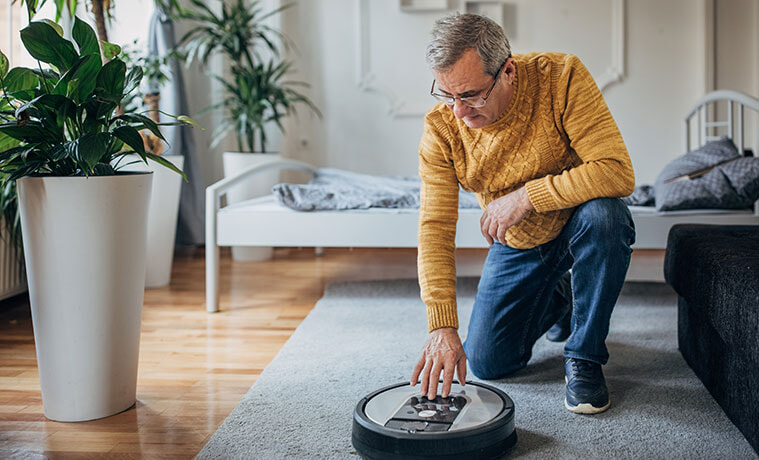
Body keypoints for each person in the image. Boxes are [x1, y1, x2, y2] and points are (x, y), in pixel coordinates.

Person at [409, 13, 636, 414]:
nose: (459, 112)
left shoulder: (561, 77)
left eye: (472, 95)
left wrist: (525, 197)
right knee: (490, 363)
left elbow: (616, 170)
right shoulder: (442, 129)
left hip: (580, 223)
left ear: (507, 71)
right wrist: (442, 325)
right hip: (521, 243)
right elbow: (435, 228)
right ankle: (560, 296)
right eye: (447, 95)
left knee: (608, 215)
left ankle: (583, 357)